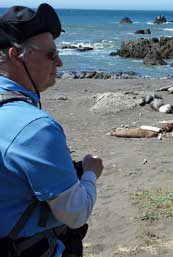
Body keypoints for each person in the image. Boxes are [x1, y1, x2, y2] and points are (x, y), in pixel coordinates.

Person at [0, 3, 103, 257]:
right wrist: (90, 172)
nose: (59, 62)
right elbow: (76, 213)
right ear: (16, 56)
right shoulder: (34, 128)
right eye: (50, 55)